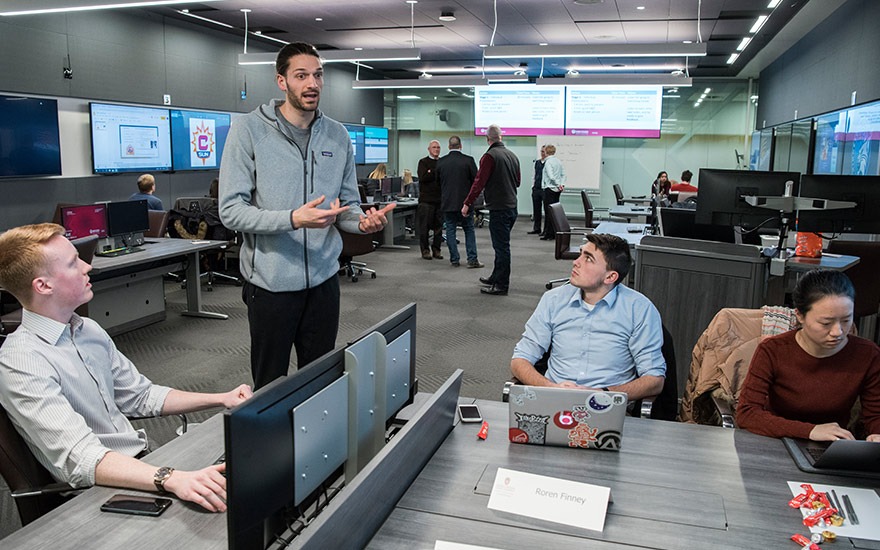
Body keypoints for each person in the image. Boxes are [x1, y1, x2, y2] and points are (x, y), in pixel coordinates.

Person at [0, 223, 254, 512]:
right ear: (43, 286)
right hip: (94, 492)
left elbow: (141, 396)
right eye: (73, 263)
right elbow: (81, 459)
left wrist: (221, 398)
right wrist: (170, 478)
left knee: (249, 473)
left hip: (142, 465)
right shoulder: (21, 361)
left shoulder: (88, 330)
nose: (87, 267)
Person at [218, 42, 394, 390]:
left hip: (324, 281)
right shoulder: (249, 130)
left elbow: (345, 205)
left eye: (317, 75)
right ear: (281, 81)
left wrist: (362, 223)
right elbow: (231, 211)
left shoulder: (338, 135)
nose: (311, 83)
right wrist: (293, 219)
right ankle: (270, 445)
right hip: (271, 282)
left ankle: (317, 446)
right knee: (270, 386)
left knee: (321, 380)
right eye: (301, 75)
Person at [511, 233, 666, 400]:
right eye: (580, 254)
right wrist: (551, 388)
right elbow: (520, 359)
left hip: (607, 406)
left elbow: (654, 380)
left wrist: (605, 394)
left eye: (588, 259)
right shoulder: (554, 300)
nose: (576, 262)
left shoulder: (639, 309)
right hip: (552, 400)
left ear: (610, 277)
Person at [736, 270, 880, 441]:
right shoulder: (773, 350)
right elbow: (747, 413)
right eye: (826, 323)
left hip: (833, 446)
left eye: (846, 320)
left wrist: (876, 434)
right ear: (800, 316)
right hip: (777, 441)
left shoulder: (868, 354)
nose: (838, 332)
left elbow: (875, 415)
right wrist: (810, 431)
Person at [462, 124, 521, 296]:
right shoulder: (512, 155)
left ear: (488, 139)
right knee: (500, 246)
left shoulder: (489, 156)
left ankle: (502, 285)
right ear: (500, 137)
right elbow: (517, 182)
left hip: (499, 208)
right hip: (512, 207)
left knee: (502, 248)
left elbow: (479, 182)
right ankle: (496, 276)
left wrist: (467, 203)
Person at [437, 135, 482, 268]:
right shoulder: (468, 160)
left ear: (449, 146)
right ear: (460, 146)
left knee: (450, 230)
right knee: (469, 230)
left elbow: (437, 182)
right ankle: (472, 259)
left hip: (448, 202)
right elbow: (476, 181)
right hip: (465, 204)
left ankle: (454, 259)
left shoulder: (441, 162)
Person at [417, 140, 443, 260]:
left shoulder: (443, 162)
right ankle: (425, 250)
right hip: (426, 201)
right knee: (424, 228)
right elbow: (423, 178)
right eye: (434, 147)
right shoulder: (423, 162)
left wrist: (431, 171)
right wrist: (433, 172)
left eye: (438, 147)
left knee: (438, 228)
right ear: (429, 149)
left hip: (440, 199)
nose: (436, 149)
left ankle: (436, 250)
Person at [540, 144, 566, 241]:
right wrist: (561, 184)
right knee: (554, 212)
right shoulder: (558, 161)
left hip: (549, 189)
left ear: (546, 152)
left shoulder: (548, 162)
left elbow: (551, 176)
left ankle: (549, 234)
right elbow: (563, 174)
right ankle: (554, 233)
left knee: (548, 212)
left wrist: (557, 183)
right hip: (557, 190)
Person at [528, 146, 546, 235]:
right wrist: (533, 186)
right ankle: (536, 228)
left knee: (547, 211)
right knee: (536, 210)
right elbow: (533, 175)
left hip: (545, 189)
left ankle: (546, 230)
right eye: (541, 151)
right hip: (536, 188)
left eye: (544, 151)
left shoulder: (549, 163)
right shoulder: (537, 162)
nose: (543, 153)